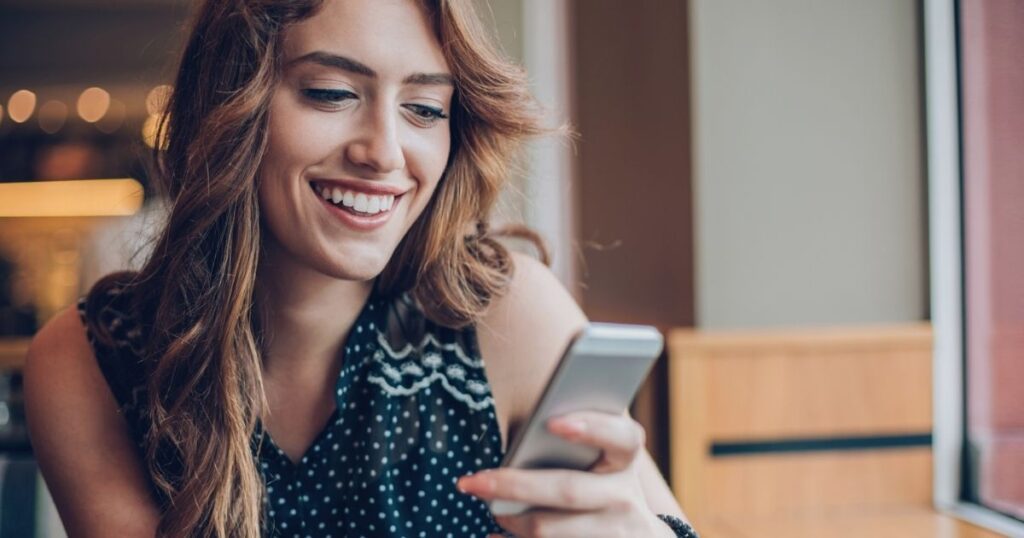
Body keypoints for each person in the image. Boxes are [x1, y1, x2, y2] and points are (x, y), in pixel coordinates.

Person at [23, 0, 697, 536]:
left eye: (425, 109)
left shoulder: (502, 314)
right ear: (230, 104)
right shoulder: (94, 361)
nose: (385, 151)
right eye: (330, 93)